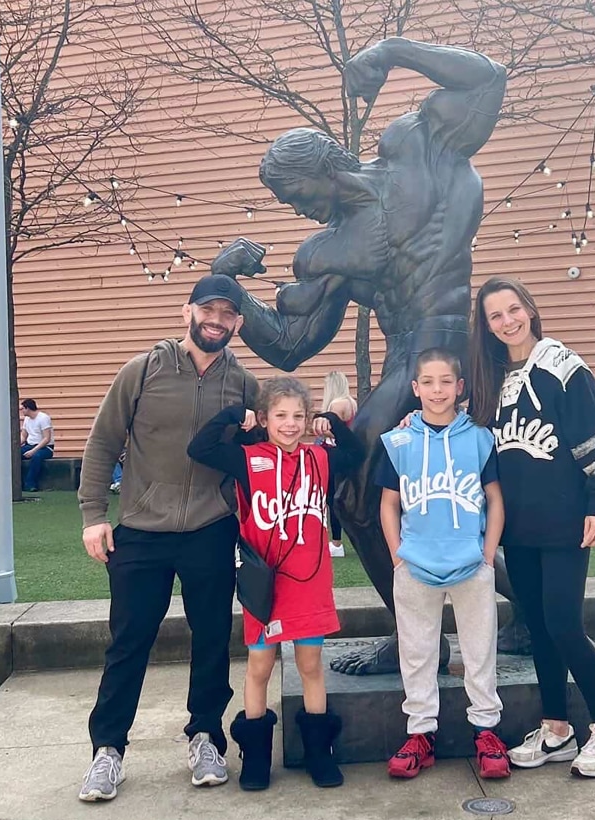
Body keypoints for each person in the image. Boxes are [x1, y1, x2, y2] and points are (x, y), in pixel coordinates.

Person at [211, 37, 513, 674]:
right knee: (422, 494)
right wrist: (229, 288)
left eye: (293, 192)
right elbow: (291, 345)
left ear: (322, 168)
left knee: (353, 487)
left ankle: (418, 638)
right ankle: (523, 614)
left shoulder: (417, 148)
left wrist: (392, 51)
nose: (295, 207)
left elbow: (487, 78)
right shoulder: (330, 251)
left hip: (446, 346)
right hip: (413, 354)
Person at [77, 274, 259, 802]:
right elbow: (103, 442)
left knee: (212, 639)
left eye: (227, 314)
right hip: (141, 530)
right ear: (188, 312)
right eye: (208, 310)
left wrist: (329, 424)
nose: (216, 321)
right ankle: (107, 750)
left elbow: (272, 439)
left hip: (211, 529)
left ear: (238, 323)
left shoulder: (244, 384)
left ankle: (205, 737)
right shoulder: (143, 370)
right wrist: (94, 515)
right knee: (128, 642)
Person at [470, 276, 595, 779]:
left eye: (513, 309)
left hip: (565, 524)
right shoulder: (491, 378)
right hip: (519, 528)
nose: (507, 321)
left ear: (530, 309)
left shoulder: (563, 367)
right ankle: (557, 728)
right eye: (496, 316)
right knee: (537, 627)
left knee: (563, 624)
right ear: (486, 326)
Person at [187, 377, 364, 790]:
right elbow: (200, 448)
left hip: (310, 582)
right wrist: (236, 415)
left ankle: (320, 753)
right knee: (260, 666)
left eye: (298, 416)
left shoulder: (319, 458)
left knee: (310, 666)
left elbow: (355, 453)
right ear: (264, 419)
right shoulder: (248, 459)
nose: (290, 424)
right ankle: (256, 757)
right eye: (281, 415)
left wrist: (332, 423)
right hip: (265, 586)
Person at [378, 348, 508, 780]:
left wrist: (487, 554)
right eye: (429, 382)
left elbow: (494, 499)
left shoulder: (479, 438)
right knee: (416, 653)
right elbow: (389, 503)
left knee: (480, 651)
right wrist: (398, 555)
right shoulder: (398, 441)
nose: (438, 390)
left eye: (446, 382)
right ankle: (421, 734)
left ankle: (486, 731)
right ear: (416, 388)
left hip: (470, 562)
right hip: (416, 564)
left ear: (459, 387)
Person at [320, 371, 358, 557]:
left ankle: (336, 543)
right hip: (347, 454)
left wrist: (319, 429)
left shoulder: (336, 404)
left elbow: (333, 430)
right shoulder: (352, 402)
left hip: (334, 453)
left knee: (332, 499)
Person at [20, 398, 54, 492]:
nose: (21, 411)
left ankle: (30, 484)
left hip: (45, 447)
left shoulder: (43, 418)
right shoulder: (26, 419)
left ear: (28, 408)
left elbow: (46, 438)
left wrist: (33, 451)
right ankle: (17, 483)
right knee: (15, 455)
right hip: (30, 445)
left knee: (36, 456)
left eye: (22, 409)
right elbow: (24, 435)